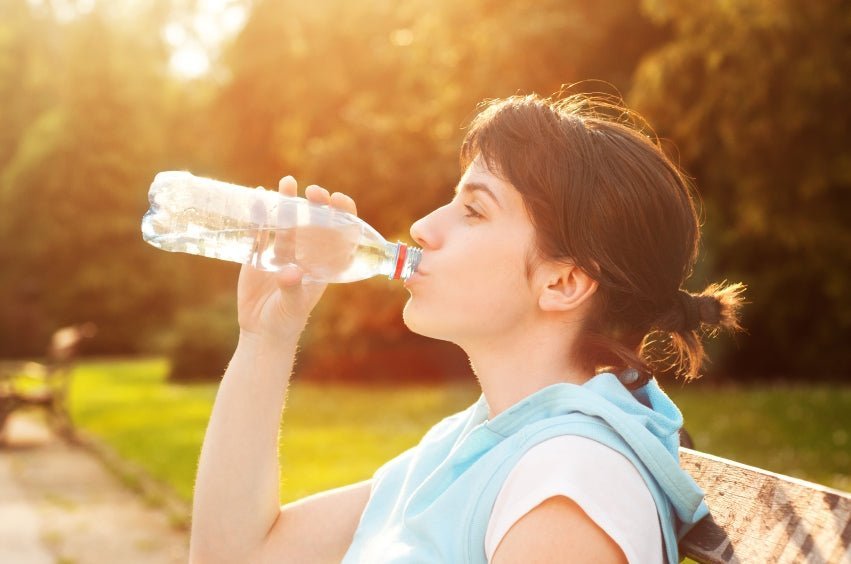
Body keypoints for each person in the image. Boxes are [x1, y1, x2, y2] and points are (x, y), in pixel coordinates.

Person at [189, 93, 745, 563]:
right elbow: (238, 554)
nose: (423, 227)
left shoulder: (568, 493)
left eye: (474, 211)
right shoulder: (472, 443)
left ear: (563, 283)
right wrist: (266, 338)